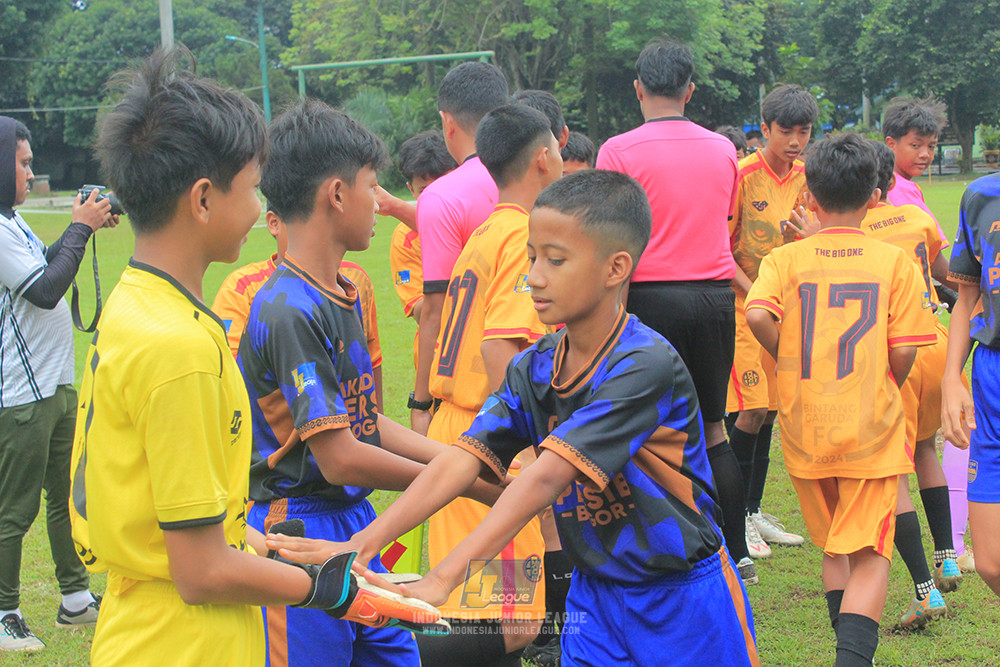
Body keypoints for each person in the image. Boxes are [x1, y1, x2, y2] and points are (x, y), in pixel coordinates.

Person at [268, 170, 760, 667]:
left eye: (556, 260)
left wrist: (441, 578)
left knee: (512, 617)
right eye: (531, 257)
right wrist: (362, 545)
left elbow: (546, 476)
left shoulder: (643, 364)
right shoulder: (536, 364)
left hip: (680, 597)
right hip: (595, 593)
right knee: (509, 616)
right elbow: (463, 458)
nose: (535, 276)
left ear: (616, 268)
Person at [65, 51, 381, 667]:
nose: (262, 208)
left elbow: (166, 506)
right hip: (183, 643)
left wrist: (260, 542)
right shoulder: (178, 349)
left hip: (150, 624)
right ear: (204, 199)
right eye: (253, 186)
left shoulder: (142, 302)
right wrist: (329, 587)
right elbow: (202, 572)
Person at [239, 100, 504, 667]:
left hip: (356, 521)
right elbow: (340, 457)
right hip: (300, 527)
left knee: (396, 654)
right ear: (336, 195)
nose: (380, 201)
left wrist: (466, 460)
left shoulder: (345, 290)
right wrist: (468, 483)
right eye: (371, 184)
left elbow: (363, 423)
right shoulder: (287, 308)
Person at [746, 133, 936, 666]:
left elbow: (758, 313)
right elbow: (905, 350)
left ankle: (845, 647)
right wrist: (885, 380)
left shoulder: (786, 259)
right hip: (870, 427)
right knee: (872, 554)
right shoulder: (892, 262)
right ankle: (853, 659)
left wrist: (789, 356)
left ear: (808, 196)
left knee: (834, 546)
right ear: (876, 196)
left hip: (807, 425)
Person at [595, 38, 752, 584]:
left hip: (647, 299)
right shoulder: (723, 150)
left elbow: (608, 231)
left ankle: (655, 542)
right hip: (712, 298)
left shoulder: (616, 150)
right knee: (714, 429)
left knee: (643, 430)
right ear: (690, 89)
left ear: (638, 88)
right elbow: (724, 220)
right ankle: (737, 550)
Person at [418, 103, 561, 665]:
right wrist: (531, 444)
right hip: (492, 434)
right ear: (545, 158)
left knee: (479, 609)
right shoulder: (523, 233)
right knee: (504, 620)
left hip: (466, 427)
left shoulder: (486, 229)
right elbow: (500, 344)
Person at [0, 117, 112, 652]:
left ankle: (74, 599)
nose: (29, 172)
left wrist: (81, 228)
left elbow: (44, 264)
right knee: (13, 511)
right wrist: (80, 228)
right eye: (22, 163)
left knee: (65, 496)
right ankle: (4, 613)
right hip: (20, 395)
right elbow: (44, 291)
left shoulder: (12, 221)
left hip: (54, 385)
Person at [861, 141, 963, 626]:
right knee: (926, 448)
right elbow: (945, 274)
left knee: (894, 470)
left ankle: (925, 592)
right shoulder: (917, 218)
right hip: (936, 342)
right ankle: (946, 554)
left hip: (895, 352)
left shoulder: (851, 232)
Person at [728, 83, 818, 561]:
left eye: (803, 132)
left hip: (792, 311)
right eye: (786, 131)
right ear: (764, 129)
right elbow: (723, 249)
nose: (795, 141)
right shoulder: (741, 177)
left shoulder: (809, 178)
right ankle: (736, 515)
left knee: (772, 415)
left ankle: (755, 509)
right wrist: (753, 292)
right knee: (750, 410)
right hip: (746, 309)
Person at [411, 62, 508, 436]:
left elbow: (437, 308)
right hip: (542, 382)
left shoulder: (441, 197)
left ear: (447, 121)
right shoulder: (537, 181)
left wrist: (421, 401)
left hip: (471, 398)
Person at [212, 205, 385, 408]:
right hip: (295, 429)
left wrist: (375, 431)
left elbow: (370, 360)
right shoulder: (243, 287)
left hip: (350, 429)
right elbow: (234, 374)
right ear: (274, 223)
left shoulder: (355, 280)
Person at [942, 171, 1000, 599]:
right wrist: (950, 379)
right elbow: (966, 299)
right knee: (991, 563)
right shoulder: (981, 194)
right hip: (992, 376)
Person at [389, 131, 458, 329]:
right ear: (411, 190)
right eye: (425, 191)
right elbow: (420, 311)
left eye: (443, 186)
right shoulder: (404, 238)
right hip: (438, 349)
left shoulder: (482, 214)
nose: (436, 199)